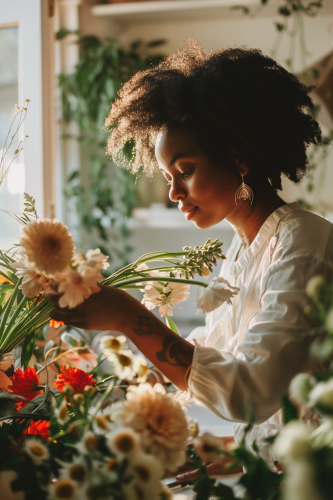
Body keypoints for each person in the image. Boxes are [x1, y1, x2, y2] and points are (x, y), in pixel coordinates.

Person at [46, 40, 333, 465]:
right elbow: (221, 362)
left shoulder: (304, 246)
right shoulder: (245, 249)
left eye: (185, 171)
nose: (173, 193)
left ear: (238, 159)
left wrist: (131, 318)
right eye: (167, 175)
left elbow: (250, 393)